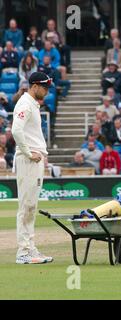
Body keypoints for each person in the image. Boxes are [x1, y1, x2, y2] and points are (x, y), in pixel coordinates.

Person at [11, 72, 53, 264]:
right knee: (26, 205)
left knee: (31, 205)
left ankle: (30, 247)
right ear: (35, 86)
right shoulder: (25, 103)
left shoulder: (32, 104)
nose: (47, 91)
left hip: (35, 160)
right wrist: (28, 153)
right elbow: (15, 130)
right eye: (45, 87)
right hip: (29, 160)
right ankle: (23, 252)